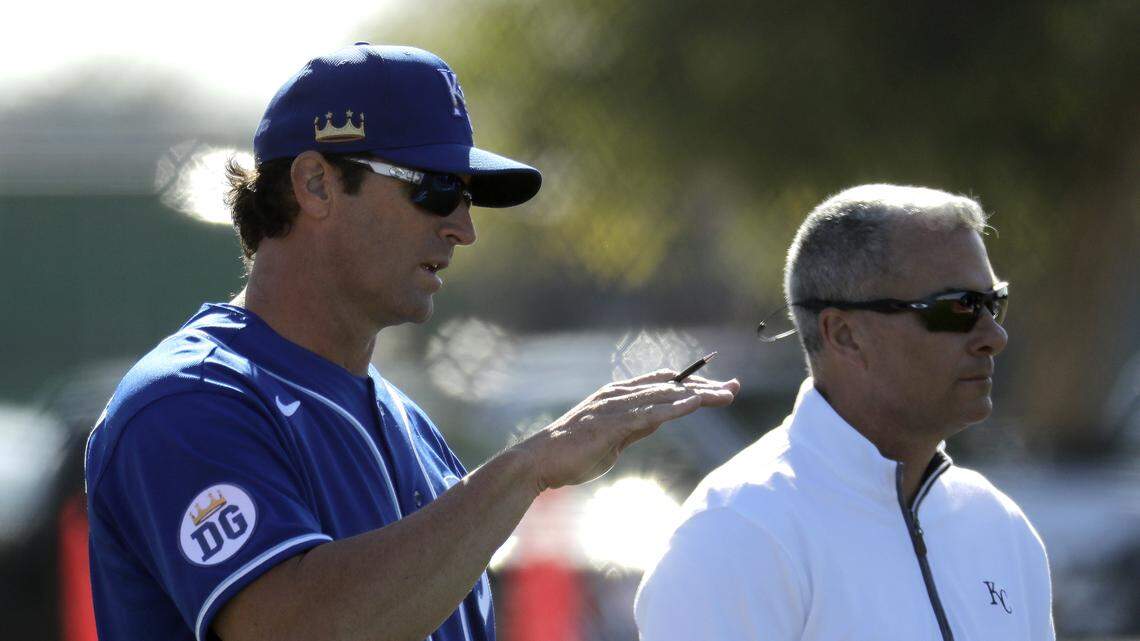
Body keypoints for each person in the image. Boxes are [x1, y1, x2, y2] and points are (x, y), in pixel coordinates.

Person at [84, 43, 739, 641]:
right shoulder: (188, 402)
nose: (462, 227)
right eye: (435, 188)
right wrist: (526, 468)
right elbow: (298, 629)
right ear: (316, 184)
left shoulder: (414, 429)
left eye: (468, 195)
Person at [635, 184, 1054, 640]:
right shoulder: (739, 530)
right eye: (959, 307)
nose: (994, 335)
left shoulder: (1000, 526)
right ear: (845, 335)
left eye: (994, 303)